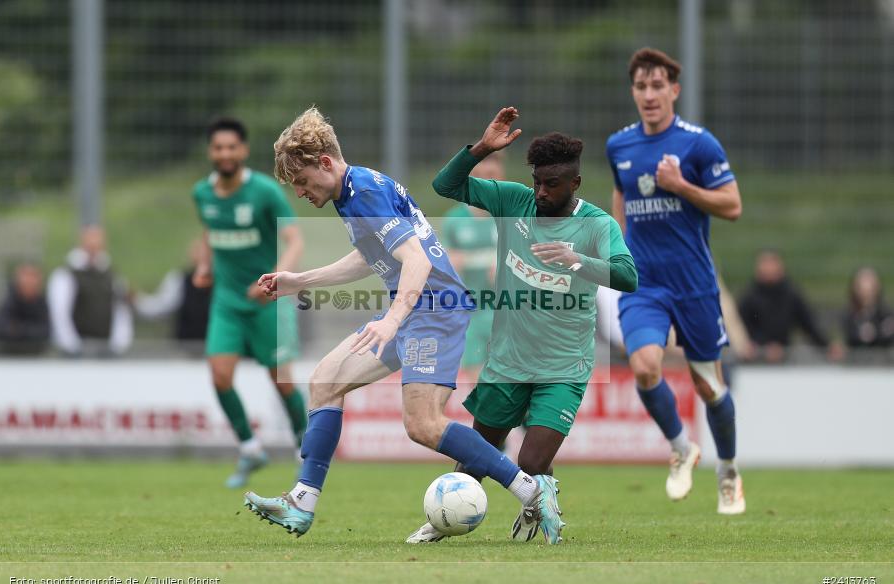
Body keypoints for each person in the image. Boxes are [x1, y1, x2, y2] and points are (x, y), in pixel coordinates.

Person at [243, 107, 562, 543]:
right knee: (325, 381)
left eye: (301, 180)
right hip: (415, 308)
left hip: (433, 310)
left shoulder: (364, 192)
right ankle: (302, 501)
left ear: (325, 163)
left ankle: (532, 490)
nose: (299, 191)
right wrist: (300, 280)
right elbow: (370, 256)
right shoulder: (354, 191)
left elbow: (416, 259)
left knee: (424, 424)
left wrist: (392, 321)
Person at [407, 107, 637, 544]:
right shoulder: (515, 202)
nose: (541, 192)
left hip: (563, 366)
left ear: (575, 183)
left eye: (552, 184)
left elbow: (628, 276)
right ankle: (445, 518)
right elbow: (445, 185)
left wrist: (577, 260)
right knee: (473, 462)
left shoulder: (596, 225)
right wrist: (481, 148)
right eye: (537, 182)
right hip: (507, 361)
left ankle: (536, 501)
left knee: (530, 463)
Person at [607, 48, 745, 515]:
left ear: (674, 91)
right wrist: (618, 246)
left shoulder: (698, 144)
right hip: (644, 283)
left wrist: (681, 186)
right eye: (641, 86)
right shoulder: (619, 145)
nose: (649, 95)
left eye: (657, 86)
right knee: (645, 366)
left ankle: (728, 471)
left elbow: (733, 206)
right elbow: (621, 195)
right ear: (633, 92)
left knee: (708, 386)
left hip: (693, 285)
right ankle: (681, 448)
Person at [192, 117, 307, 489]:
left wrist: (276, 279)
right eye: (218, 147)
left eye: (231, 147)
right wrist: (205, 266)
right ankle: (250, 448)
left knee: (282, 381)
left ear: (242, 150)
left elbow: (295, 241)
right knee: (219, 375)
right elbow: (209, 231)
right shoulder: (202, 193)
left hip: (267, 302)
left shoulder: (264, 192)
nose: (225, 153)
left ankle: (306, 451)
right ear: (211, 152)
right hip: (227, 302)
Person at [440, 152, 501, 372]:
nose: (484, 182)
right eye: (478, 175)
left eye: (491, 175)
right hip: (471, 313)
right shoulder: (454, 220)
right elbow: (443, 266)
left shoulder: (513, 217)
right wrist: (450, 266)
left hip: (509, 312)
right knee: (479, 381)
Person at [738, 249, 842, 363]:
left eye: (772, 263)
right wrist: (761, 346)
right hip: (754, 360)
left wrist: (827, 345)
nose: (769, 268)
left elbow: (808, 324)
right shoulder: (748, 297)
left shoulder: (790, 294)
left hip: (785, 358)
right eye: (765, 263)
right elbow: (739, 327)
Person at [47, 226, 134, 357]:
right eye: (91, 240)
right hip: (76, 351)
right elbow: (59, 313)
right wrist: (71, 346)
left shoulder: (112, 275)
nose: (94, 245)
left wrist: (118, 345)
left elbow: (121, 311)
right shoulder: (65, 274)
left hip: (104, 350)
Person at [134, 238, 213, 349]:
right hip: (185, 348)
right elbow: (160, 305)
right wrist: (136, 300)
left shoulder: (223, 282)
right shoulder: (179, 280)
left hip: (216, 349)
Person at [0, 262, 50, 355]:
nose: (29, 281)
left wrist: (18, 330)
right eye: (26, 277)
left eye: (32, 277)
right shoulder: (9, 301)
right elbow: (0, 327)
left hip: (36, 355)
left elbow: (45, 330)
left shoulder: (42, 304)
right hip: (7, 355)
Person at [843, 267, 893, 351]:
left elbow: (888, 335)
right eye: (862, 289)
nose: (866, 294)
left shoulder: (886, 314)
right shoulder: (848, 316)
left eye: (870, 289)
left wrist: (875, 333)